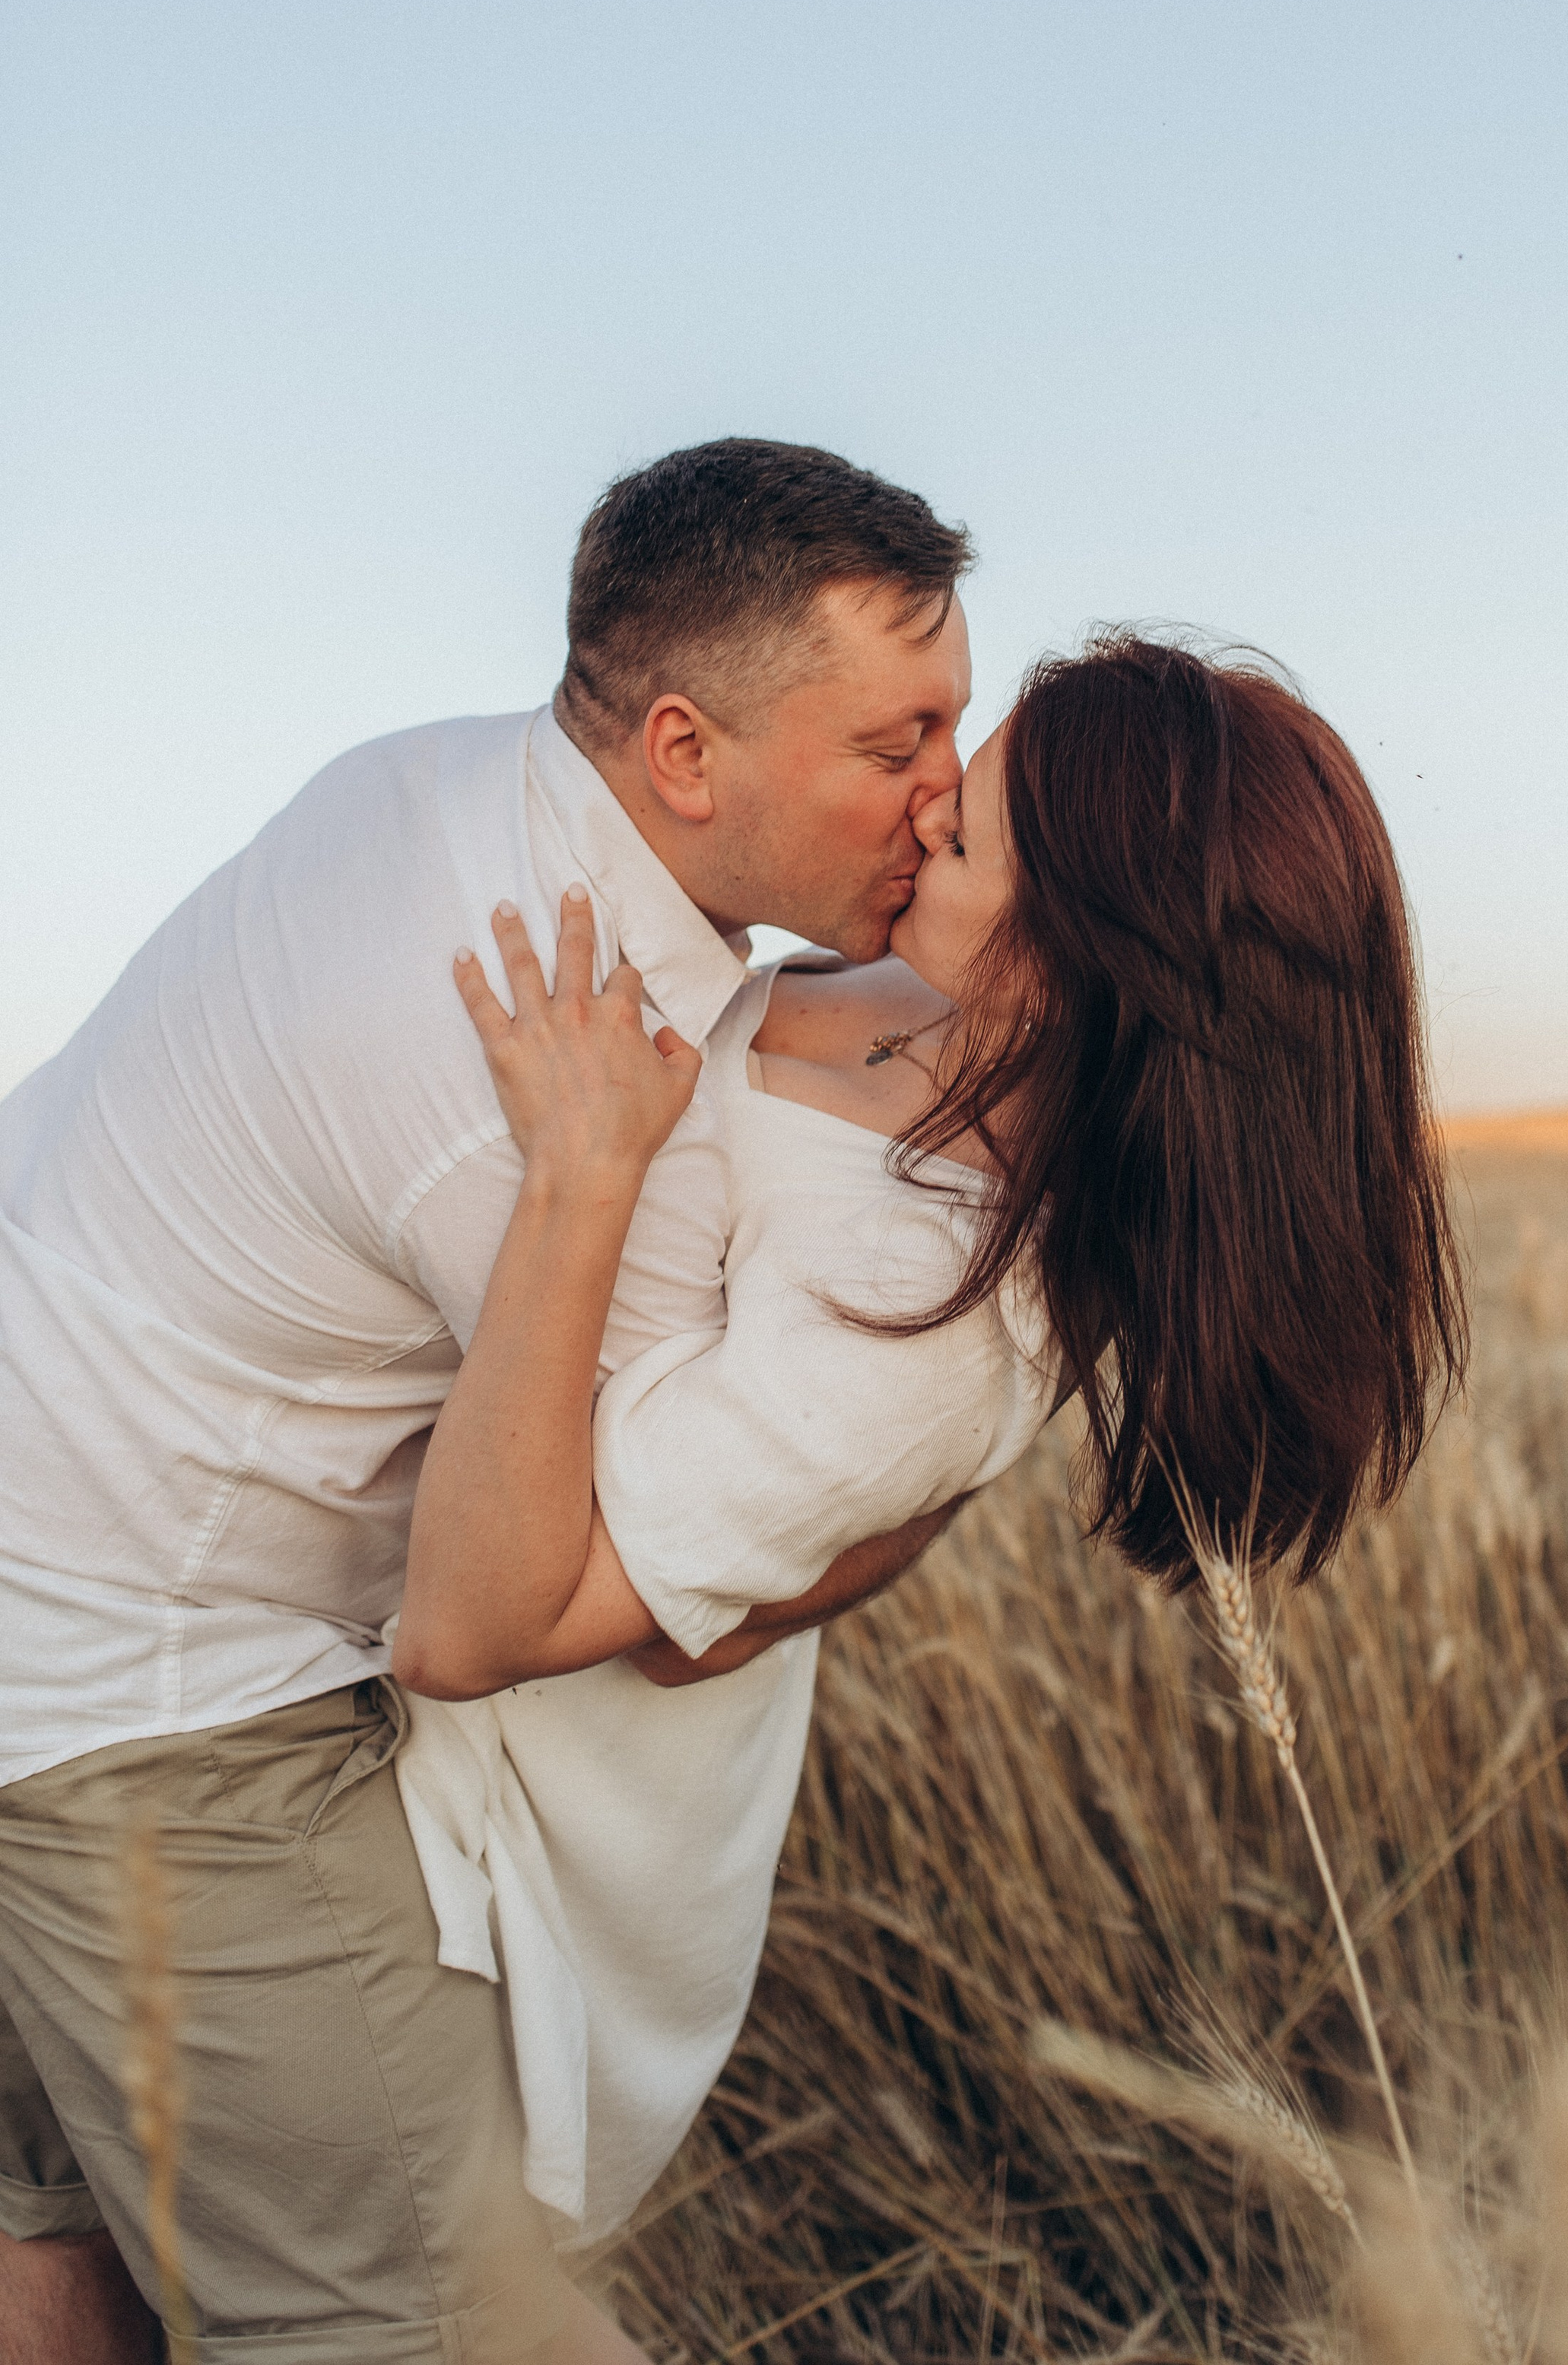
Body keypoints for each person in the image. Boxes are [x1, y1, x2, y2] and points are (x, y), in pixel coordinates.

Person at [0, 442, 983, 2365]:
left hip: (36, 1587)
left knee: (68, 2257)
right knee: (429, 2322)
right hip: (142, 1711)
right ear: (688, 754)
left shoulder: (434, 783)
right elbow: (605, 1595)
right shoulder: (561, 1063)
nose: (945, 794)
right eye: (899, 740)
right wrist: (943, 1443)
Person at [387, 628, 1468, 2241]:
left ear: (1085, 964)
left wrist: (582, 1172)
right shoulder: (910, 982)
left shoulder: (937, 1306)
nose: (921, 811)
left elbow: (484, 1627)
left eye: (964, 830)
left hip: (521, 1854)